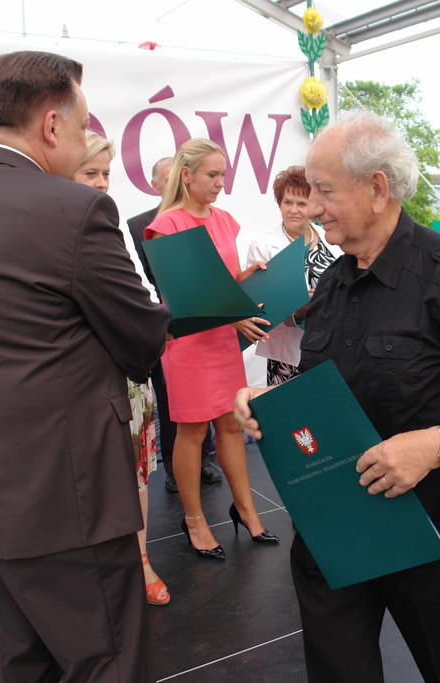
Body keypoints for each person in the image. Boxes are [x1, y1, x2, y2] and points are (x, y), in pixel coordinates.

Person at [234, 112, 440, 683]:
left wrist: (432, 446)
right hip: (335, 519)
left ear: (376, 189)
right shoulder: (332, 281)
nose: (313, 207)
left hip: (431, 524)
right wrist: (270, 401)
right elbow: (329, 385)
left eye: (324, 191)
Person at [0, 51, 170, 682]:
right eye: (81, 127)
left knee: (24, 663)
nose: (82, 142)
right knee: (107, 662)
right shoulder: (73, 210)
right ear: (52, 125)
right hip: (64, 492)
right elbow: (140, 340)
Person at [144, 138, 278, 560]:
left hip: (221, 340)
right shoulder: (167, 224)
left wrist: (250, 275)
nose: (221, 182)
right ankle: (195, 520)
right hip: (189, 342)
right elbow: (181, 297)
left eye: (223, 174)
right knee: (193, 432)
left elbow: (222, 282)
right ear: (186, 175)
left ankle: (246, 510)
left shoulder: (224, 220)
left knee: (231, 426)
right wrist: (232, 315)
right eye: (213, 174)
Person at [74, 132, 169, 606]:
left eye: (106, 173)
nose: (101, 182)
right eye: (90, 172)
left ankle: (142, 560)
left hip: (128, 376)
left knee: (136, 477)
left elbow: (137, 296)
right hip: (79, 384)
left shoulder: (108, 224)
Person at [127, 156, 220, 493]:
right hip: (162, 322)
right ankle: (172, 467)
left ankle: (203, 461)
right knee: (170, 400)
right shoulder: (138, 225)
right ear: (155, 186)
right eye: (166, 181)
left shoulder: (202, 217)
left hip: (203, 320)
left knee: (204, 399)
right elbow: (141, 277)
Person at [245, 165, 341, 385]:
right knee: (290, 406)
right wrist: (296, 311)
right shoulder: (262, 246)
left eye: (302, 204)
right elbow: (259, 307)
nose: (294, 210)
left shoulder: (332, 238)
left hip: (332, 347)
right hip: (288, 356)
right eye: (288, 202)